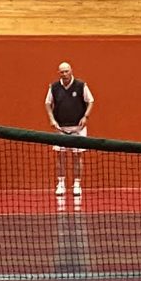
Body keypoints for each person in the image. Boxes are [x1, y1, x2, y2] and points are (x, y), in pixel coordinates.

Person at [46, 62, 94, 199]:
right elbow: (48, 103)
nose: (65, 74)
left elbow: (90, 101)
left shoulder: (81, 85)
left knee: (77, 156)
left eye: (66, 71)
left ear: (71, 71)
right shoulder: (54, 87)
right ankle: (61, 184)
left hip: (78, 128)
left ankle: (77, 184)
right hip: (60, 128)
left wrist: (85, 117)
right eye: (62, 72)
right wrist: (52, 119)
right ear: (59, 73)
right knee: (60, 156)